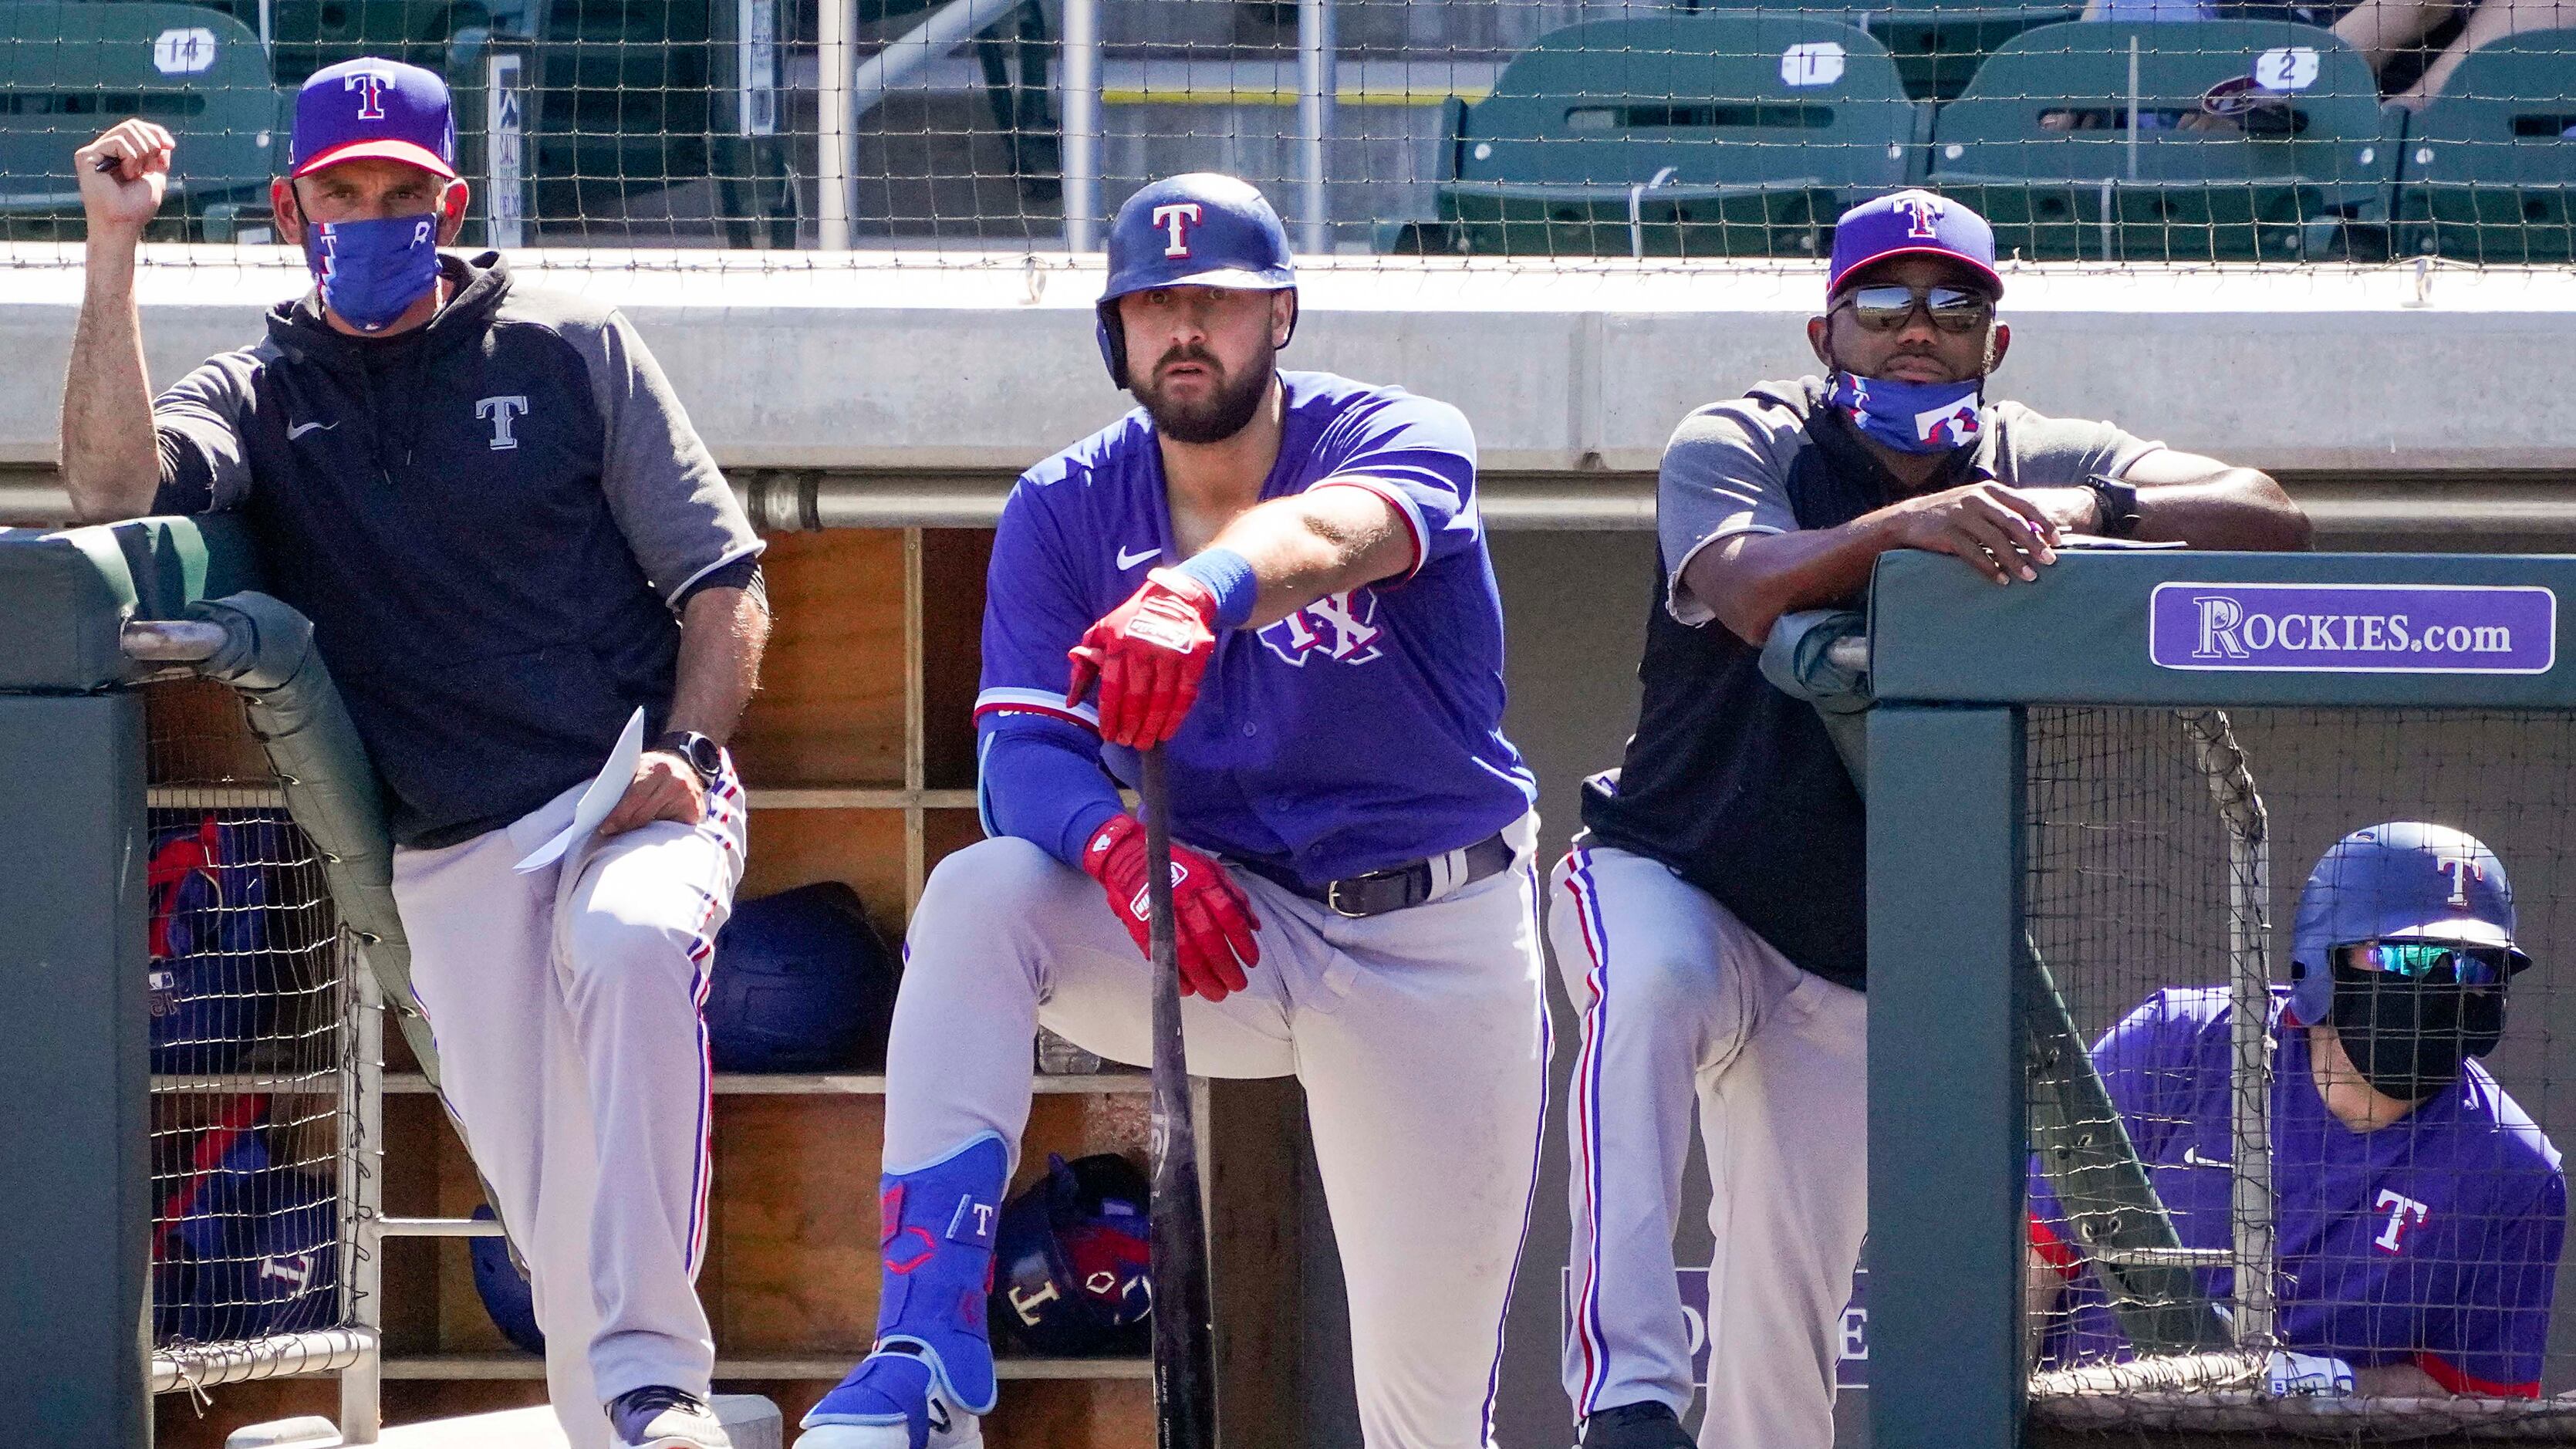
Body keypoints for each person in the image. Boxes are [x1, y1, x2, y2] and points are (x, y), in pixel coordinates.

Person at [59, 59, 767, 1449]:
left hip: (624, 779)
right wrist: (112, 250)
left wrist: (687, 751)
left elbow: (721, 578)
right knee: (544, 1198)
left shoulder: (568, 339)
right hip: (451, 842)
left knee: (634, 947)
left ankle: (660, 1381)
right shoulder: (261, 389)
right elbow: (108, 490)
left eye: (403, 194)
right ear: (288, 207)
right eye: (344, 192)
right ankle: (623, 1408)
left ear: (453, 201)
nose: (374, 218)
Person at [794, 172, 1549, 1449]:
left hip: (1433, 931)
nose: (1185, 327)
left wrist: (1196, 592)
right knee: (982, 896)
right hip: (1221, 924)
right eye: (1155, 302)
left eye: (1218, 300)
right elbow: (1018, 756)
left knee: (1424, 1416)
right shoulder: (1063, 504)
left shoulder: (1396, 432)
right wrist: (1120, 856)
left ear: (1282, 317)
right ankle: (923, 1349)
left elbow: (1338, 529)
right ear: (1114, 329)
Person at [1552, 188, 2312, 1449]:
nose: (1916, 328)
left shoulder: (2024, 453)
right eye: (1882, 302)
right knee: (1647, 992)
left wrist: (2085, 510)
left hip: (1848, 950)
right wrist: (1907, 528)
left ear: (1990, 340)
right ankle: (1626, 1395)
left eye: (1952, 304)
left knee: (1784, 1308)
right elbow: (1742, 586)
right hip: (1673, 870)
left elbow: (2267, 515)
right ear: (1825, 330)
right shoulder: (1739, 434)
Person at [2030, 823, 2565, 1398]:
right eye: (2403, 955)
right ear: (2324, 960)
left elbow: (2476, 1400)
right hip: (2085, 1418)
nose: (2438, 986)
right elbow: (2029, 1264)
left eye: (2470, 967)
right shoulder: (2176, 1044)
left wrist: (2327, 1384)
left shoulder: (2513, 1172)